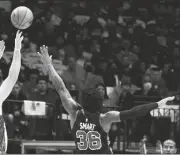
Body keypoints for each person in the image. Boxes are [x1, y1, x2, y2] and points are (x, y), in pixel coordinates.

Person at [38, 45, 175, 154]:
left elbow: (61, 88)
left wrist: (49, 66)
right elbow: (134, 112)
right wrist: (157, 104)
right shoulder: (105, 118)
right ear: (99, 103)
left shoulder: (74, 112)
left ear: (84, 101)